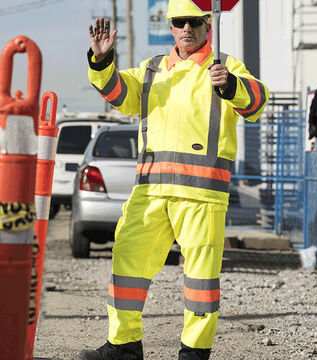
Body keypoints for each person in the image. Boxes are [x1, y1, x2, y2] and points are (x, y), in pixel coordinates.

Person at [80, 0, 269, 359]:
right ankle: (123, 346)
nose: (186, 28)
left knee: (199, 279)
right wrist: (103, 62)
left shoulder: (225, 67)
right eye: (179, 22)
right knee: (127, 263)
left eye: (194, 21)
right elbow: (119, 94)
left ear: (207, 24)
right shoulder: (151, 70)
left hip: (201, 195)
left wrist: (231, 86)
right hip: (150, 192)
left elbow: (258, 102)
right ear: (170, 26)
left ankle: (194, 353)